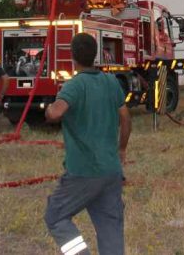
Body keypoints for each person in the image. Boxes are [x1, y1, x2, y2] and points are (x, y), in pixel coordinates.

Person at [44, 33, 131, 255]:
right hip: (111, 171)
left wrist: (49, 108)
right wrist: (121, 149)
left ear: (73, 56)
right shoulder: (111, 81)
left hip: (83, 172)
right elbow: (125, 118)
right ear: (96, 55)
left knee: (55, 216)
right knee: (110, 227)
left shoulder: (74, 86)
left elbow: (56, 113)